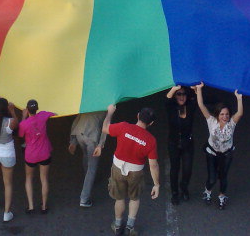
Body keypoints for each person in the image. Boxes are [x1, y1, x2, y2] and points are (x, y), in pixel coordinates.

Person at [102, 103, 160, 236]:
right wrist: (156, 184)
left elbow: (105, 128)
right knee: (134, 198)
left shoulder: (123, 126)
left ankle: (117, 226)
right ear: (151, 123)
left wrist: (110, 112)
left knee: (119, 198)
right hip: (136, 172)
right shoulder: (151, 140)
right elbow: (153, 165)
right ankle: (130, 227)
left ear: (138, 116)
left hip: (118, 168)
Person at [193, 82, 244, 210]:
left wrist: (239, 98)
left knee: (223, 177)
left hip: (226, 154)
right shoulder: (211, 121)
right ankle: (207, 191)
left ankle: (222, 196)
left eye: (227, 114)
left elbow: (239, 113)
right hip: (212, 153)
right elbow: (201, 105)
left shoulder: (231, 123)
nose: (225, 117)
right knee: (212, 178)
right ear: (217, 115)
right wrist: (199, 89)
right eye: (222, 114)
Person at [19, 99, 55, 214]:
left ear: (27, 109)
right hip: (44, 153)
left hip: (31, 155)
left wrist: (23, 116)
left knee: (29, 178)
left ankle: (31, 206)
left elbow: (20, 134)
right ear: (37, 108)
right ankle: (44, 206)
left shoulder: (24, 124)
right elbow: (55, 113)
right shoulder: (43, 115)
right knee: (44, 178)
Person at [166, 85, 197, 205]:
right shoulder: (171, 107)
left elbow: (197, 97)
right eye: (179, 94)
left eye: (184, 94)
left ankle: (184, 187)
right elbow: (167, 99)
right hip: (173, 143)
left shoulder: (190, 106)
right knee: (175, 168)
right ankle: (174, 193)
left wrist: (197, 89)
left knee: (187, 169)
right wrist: (175, 88)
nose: (182, 97)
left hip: (187, 143)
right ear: (175, 96)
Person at [68, 110, 106, 208]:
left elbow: (76, 120)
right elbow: (105, 127)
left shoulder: (87, 104)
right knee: (92, 168)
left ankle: (87, 178)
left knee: (85, 155)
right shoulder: (105, 108)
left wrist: (73, 141)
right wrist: (100, 144)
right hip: (92, 137)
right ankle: (84, 199)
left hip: (79, 134)